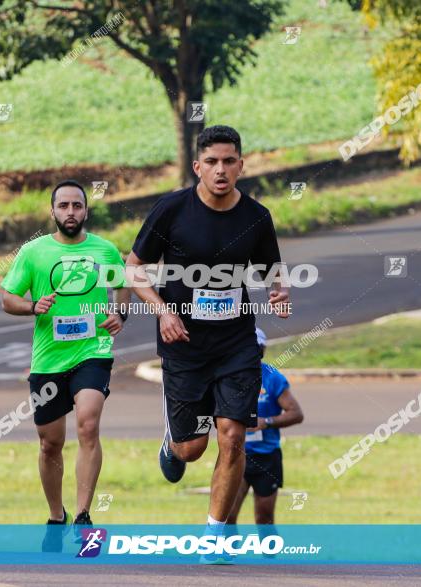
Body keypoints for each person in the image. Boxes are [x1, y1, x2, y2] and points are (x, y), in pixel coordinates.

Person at [126, 125, 290, 563]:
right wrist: (162, 310)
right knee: (192, 449)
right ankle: (172, 441)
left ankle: (214, 536)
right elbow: (134, 267)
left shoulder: (256, 217)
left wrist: (279, 291)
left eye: (229, 161)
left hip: (236, 342)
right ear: (198, 166)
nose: (221, 170)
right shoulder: (172, 210)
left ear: (241, 165)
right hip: (184, 344)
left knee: (233, 436)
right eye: (212, 162)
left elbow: (272, 270)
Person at [1, 180, 129, 551]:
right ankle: (56, 516)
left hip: (93, 351)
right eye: (64, 206)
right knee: (49, 444)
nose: (70, 212)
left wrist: (119, 312)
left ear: (86, 210)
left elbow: (125, 283)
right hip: (48, 359)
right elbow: (8, 298)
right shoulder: (34, 252)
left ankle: (84, 515)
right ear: (53, 211)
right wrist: (32, 306)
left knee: (88, 425)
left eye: (77, 205)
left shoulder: (104, 250)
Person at [226, 327, 304, 534]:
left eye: (255, 349)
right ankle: (227, 560)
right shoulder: (228, 377)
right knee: (227, 514)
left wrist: (266, 422)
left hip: (267, 458)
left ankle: (270, 563)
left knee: (264, 518)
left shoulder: (272, 378)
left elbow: (296, 413)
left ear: (262, 350)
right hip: (236, 455)